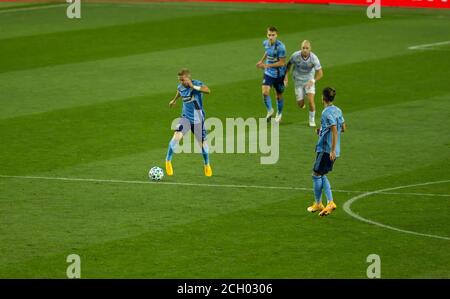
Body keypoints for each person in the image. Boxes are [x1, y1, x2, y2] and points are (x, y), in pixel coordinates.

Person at [165, 68, 213, 177]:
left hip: (198, 120)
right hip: (185, 118)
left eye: (182, 80)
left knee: (203, 145)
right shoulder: (180, 87)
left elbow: (208, 91)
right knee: (176, 137)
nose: (181, 82)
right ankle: (168, 161)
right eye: (179, 80)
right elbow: (179, 91)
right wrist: (174, 100)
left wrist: (192, 86)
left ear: (188, 77)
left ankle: (207, 165)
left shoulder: (197, 84)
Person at [307, 87, 346, 217]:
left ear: (323, 98)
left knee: (316, 174)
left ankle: (324, 202)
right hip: (331, 149)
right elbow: (343, 128)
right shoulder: (337, 110)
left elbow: (335, 129)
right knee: (321, 174)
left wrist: (332, 150)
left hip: (326, 150)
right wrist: (322, 131)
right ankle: (325, 203)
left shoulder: (326, 113)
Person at [285, 40, 323, 127]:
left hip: (309, 81)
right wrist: (286, 77)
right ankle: (303, 100)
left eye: (307, 48)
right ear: (300, 48)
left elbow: (320, 73)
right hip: (298, 81)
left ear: (310, 49)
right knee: (300, 104)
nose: (305, 50)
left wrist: (313, 80)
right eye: (303, 48)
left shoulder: (314, 58)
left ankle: (311, 120)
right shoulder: (295, 55)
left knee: (311, 101)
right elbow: (288, 66)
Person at [256, 26, 287, 123]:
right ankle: (270, 110)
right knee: (265, 92)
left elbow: (282, 63)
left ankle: (279, 113)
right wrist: (261, 61)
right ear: (267, 35)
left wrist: (267, 65)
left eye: (273, 35)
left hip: (279, 74)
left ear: (276, 35)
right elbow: (267, 52)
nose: (271, 37)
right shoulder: (265, 43)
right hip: (268, 73)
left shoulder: (281, 47)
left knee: (278, 95)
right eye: (269, 35)